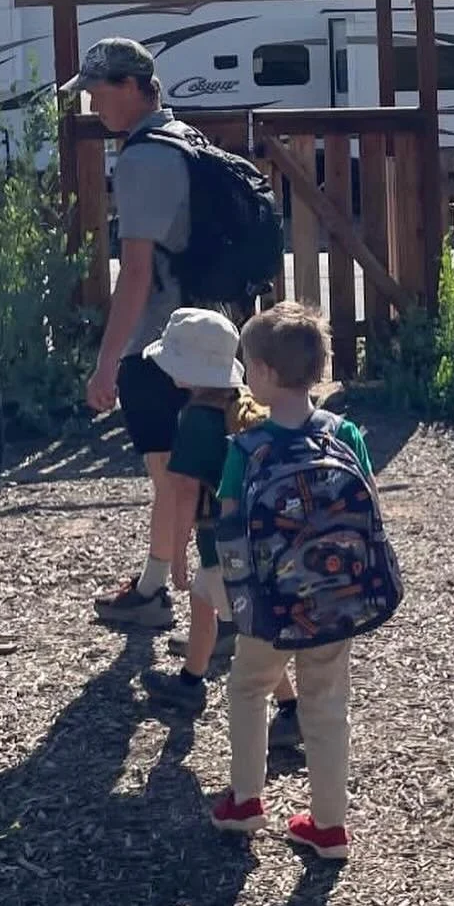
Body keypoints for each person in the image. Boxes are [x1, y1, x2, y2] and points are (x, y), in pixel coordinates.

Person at [210, 302, 376, 861]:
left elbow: (228, 524)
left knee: (249, 687)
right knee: (326, 705)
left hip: (271, 604)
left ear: (262, 373)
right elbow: (368, 508)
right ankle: (329, 825)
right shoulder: (344, 434)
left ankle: (245, 799)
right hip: (333, 600)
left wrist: (228, 593)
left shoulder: (246, 449)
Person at [68, 38, 197, 633]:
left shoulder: (144, 159)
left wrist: (108, 363)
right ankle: (159, 586)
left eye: (97, 93)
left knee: (170, 474)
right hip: (203, 333)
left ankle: (184, 600)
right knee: (188, 472)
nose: (93, 106)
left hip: (160, 344)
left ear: (129, 87)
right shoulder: (185, 138)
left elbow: (137, 274)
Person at [138, 307, 302, 752]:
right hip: (249, 537)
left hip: (220, 543)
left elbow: (184, 492)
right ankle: (191, 680)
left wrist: (175, 554)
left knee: (252, 631)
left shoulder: (196, 419)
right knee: (204, 602)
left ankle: (291, 708)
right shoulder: (241, 405)